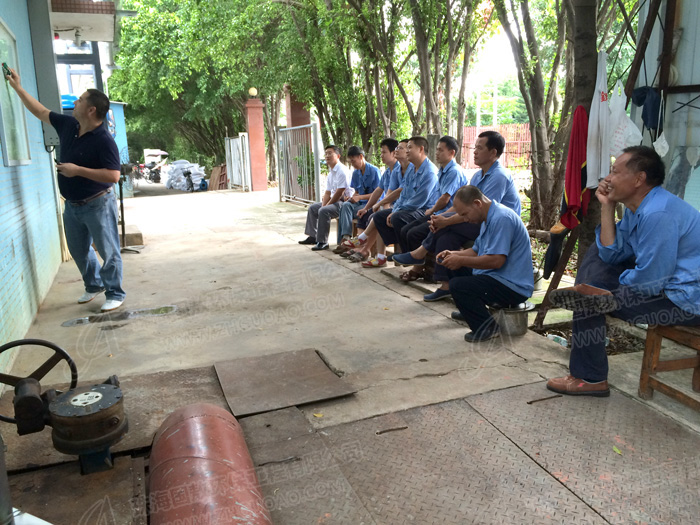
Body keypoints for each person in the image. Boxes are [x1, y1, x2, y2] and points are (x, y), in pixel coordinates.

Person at [547, 146, 700, 397]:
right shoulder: (638, 208)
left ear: (639, 179)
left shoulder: (658, 214)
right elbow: (611, 254)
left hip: (686, 301)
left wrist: (611, 286)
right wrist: (607, 206)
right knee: (596, 258)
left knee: (589, 300)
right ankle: (590, 292)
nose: (608, 179)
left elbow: (650, 282)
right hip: (666, 288)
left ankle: (590, 378)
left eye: (615, 172)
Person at [5, 68, 125, 312]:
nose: (75, 102)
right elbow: (40, 112)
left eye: (80, 100)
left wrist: (77, 170)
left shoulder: (104, 140)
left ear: (91, 109)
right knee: (78, 250)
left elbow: (113, 175)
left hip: (98, 203)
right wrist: (17, 87)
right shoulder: (69, 125)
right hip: (72, 204)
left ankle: (115, 293)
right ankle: (93, 285)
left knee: (108, 251)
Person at [394, 131, 520, 297]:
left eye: (480, 148)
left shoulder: (499, 176)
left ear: (493, 152)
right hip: (479, 223)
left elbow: (483, 212)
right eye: (475, 147)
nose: (474, 152)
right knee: (447, 237)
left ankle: (420, 254)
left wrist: (445, 221)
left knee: (444, 227)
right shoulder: (477, 176)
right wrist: (442, 218)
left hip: (497, 227)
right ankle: (445, 285)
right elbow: (464, 205)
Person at [439, 185, 533, 342]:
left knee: (458, 285)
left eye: (465, 214)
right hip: (496, 277)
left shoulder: (502, 218)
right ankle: (471, 310)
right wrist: (453, 254)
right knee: (451, 265)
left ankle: (488, 328)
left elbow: (496, 261)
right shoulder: (487, 218)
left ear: (477, 204)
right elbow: (476, 251)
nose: (465, 219)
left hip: (513, 287)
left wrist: (460, 259)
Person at [368, 137, 438, 267]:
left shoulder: (429, 172)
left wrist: (396, 211)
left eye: (410, 147)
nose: (407, 151)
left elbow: (419, 201)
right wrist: (395, 209)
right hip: (410, 208)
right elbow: (403, 193)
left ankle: (407, 254)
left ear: (421, 149)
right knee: (379, 216)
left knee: (398, 217)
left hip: (424, 210)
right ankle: (402, 252)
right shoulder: (412, 169)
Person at [341, 139, 411, 263]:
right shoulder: (392, 171)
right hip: (393, 206)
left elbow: (397, 192)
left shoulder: (409, 169)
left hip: (406, 208)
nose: (381, 155)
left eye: (384, 152)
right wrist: (367, 207)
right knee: (366, 213)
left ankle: (365, 248)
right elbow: (381, 191)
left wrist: (381, 205)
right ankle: (364, 247)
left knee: (377, 217)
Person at [299, 145, 353, 251]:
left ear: (338, 156)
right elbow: (328, 192)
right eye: (326, 154)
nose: (327, 156)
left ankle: (322, 242)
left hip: (344, 202)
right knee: (313, 208)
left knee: (324, 211)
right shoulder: (331, 173)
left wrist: (326, 206)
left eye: (330, 153)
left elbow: (339, 193)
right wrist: (324, 204)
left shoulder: (342, 171)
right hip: (334, 201)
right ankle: (313, 236)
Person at [335, 146, 380, 248]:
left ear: (361, 157)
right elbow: (356, 192)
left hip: (371, 204)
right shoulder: (356, 173)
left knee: (356, 213)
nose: (352, 164)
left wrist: (360, 197)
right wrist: (352, 197)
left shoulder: (374, 171)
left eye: (353, 161)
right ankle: (346, 237)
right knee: (345, 205)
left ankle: (348, 243)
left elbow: (378, 194)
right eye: (350, 162)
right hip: (359, 204)